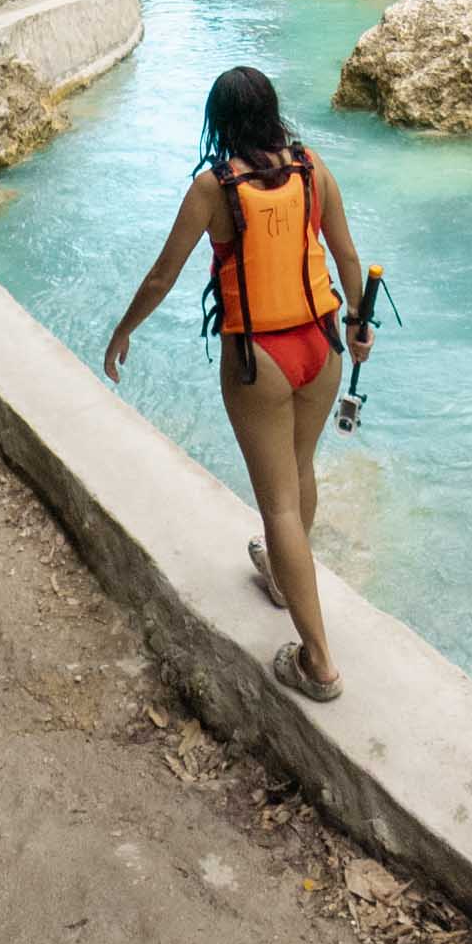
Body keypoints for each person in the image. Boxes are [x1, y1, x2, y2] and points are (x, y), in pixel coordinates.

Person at [103, 67, 374, 702]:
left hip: (262, 358)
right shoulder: (312, 167)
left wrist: (123, 330)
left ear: (220, 122)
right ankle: (286, 580)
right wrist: (360, 322)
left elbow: (161, 277)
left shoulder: (213, 187)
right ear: (273, 111)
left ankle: (320, 664)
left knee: (276, 504)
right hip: (323, 343)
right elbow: (348, 258)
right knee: (300, 469)